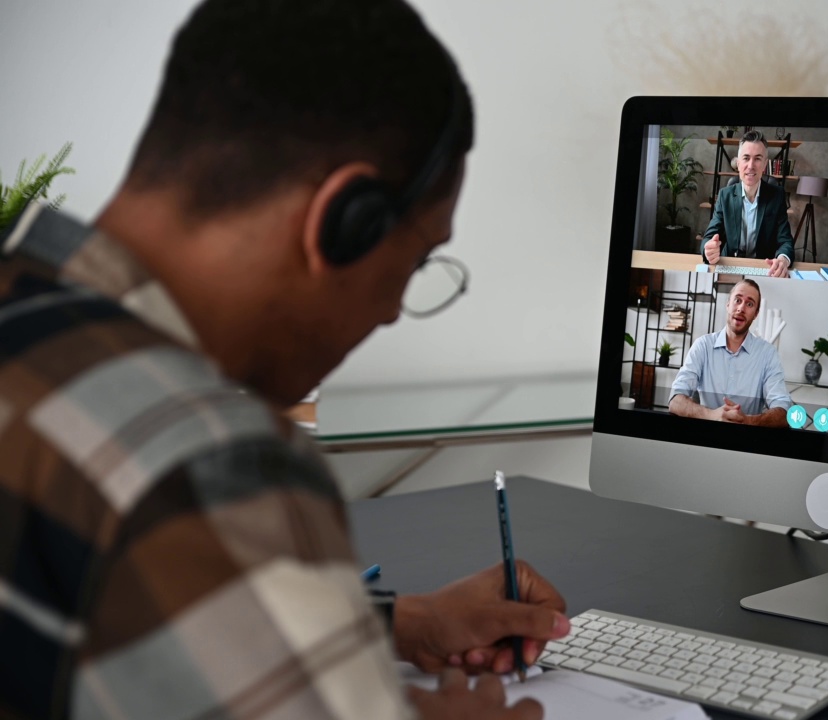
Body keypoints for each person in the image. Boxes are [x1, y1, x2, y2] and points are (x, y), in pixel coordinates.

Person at [0, 2, 566, 719]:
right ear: (342, 218)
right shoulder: (204, 455)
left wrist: (392, 621)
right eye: (417, 259)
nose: (394, 310)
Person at [668, 279, 792, 426]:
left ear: (756, 314)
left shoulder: (768, 354)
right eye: (737, 300)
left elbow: (784, 411)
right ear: (728, 304)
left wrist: (747, 420)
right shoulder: (702, 346)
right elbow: (675, 401)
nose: (741, 308)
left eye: (750, 304)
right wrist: (712, 415)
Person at [700, 130, 795, 278]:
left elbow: (786, 241)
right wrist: (708, 250)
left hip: (765, 269)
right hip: (730, 268)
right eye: (746, 158)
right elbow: (708, 237)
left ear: (764, 165)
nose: (751, 166)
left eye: (757, 159)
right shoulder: (725, 196)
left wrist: (783, 259)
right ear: (738, 163)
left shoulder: (777, 196)